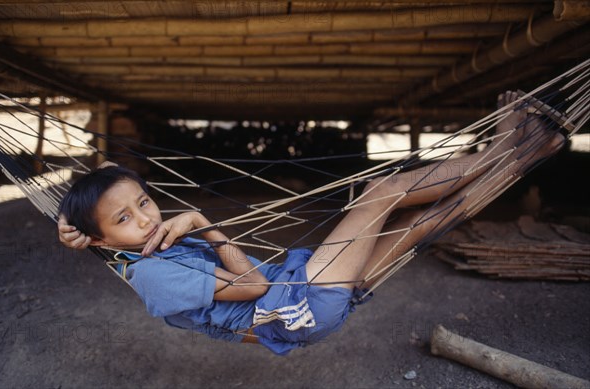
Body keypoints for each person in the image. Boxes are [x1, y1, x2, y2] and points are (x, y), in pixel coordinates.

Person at [58, 92, 564, 355]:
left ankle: (531, 151)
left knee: (415, 223)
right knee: (382, 194)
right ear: (103, 239)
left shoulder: (124, 247)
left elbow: (104, 188)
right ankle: (502, 147)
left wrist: (65, 219)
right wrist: (199, 221)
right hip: (298, 303)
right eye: (125, 219)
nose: (146, 219)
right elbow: (252, 284)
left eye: (145, 203)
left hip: (298, 301)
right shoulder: (151, 273)